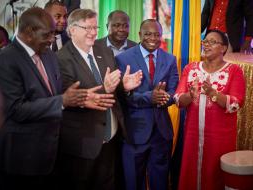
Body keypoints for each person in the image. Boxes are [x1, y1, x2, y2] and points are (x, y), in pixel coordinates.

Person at [0, 7, 113, 190]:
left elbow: (57, 93)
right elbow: (14, 109)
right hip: (23, 158)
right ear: (29, 32)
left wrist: (81, 98)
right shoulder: (6, 60)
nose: (52, 39)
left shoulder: (48, 54)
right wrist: (63, 101)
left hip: (52, 153)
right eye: (47, 34)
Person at [56, 8, 142, 190]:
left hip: (110, 138)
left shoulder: (104, 51)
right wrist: (106, 88)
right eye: (87, 28)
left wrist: (124, 87)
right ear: (72, 30)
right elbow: (71, 99)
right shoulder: (61, 59)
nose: (93, 32)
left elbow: (113, 89)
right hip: (83, 142)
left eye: (95, 27)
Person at [174, 30, 246, 190]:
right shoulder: (191, 68)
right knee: (191, 173)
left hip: (220, 138)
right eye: (205, 41)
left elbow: (236, 103)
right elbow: (178, 100)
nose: (206, 45)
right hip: (192, 136)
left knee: (215, 176)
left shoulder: (234, 71)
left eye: (212, 42)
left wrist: (213, 94)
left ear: (223, 48)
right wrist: (189, 94)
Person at [116, 19, 179, 190]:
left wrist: (165, 98)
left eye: (157, 34)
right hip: (135, 132)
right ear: (139, 35)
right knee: (133, 181)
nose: (153, 38)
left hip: (162, 133)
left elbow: (175, 92)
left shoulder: (170, 59)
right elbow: (123, 96)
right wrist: (150, 97)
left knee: (160, 181)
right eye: (148, 34)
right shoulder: (123, 59)